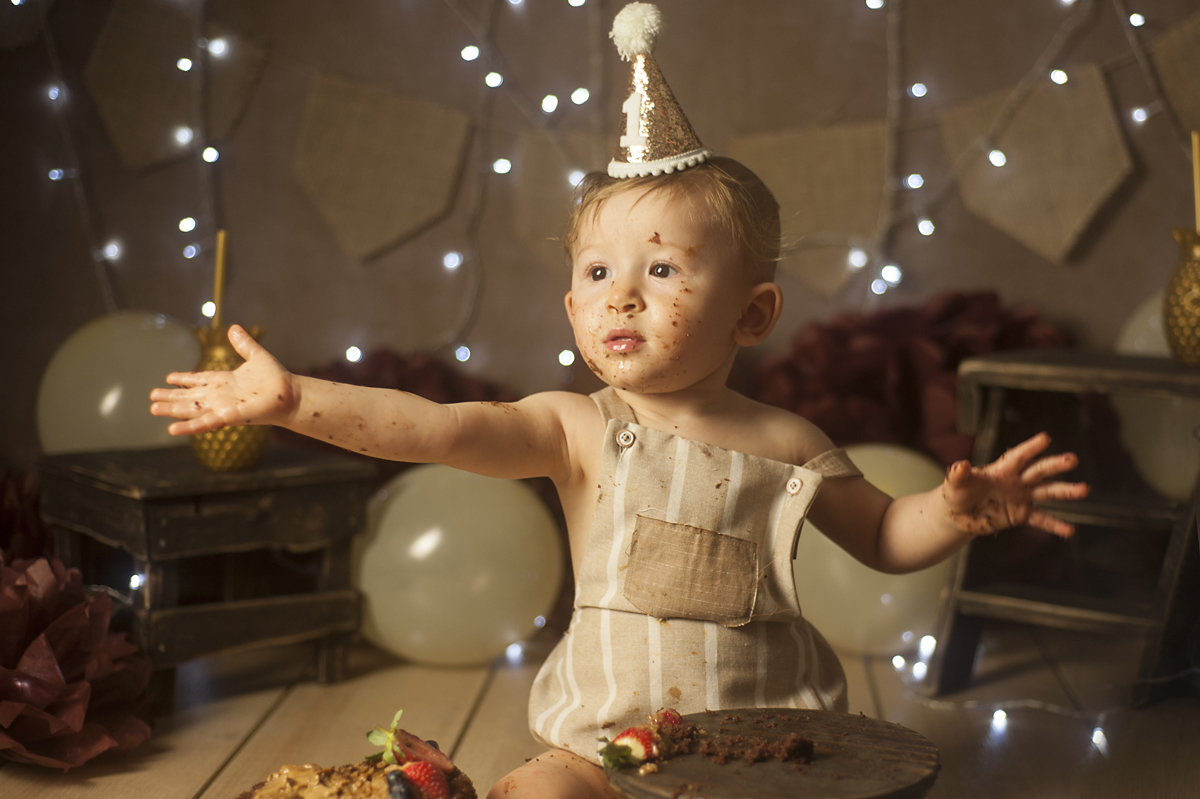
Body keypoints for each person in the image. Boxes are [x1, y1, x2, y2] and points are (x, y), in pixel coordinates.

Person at [150, 6, 1088, 798]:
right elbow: (432, 429)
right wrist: (294, 399)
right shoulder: (577, 427)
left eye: (664, 268)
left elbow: (884, 536)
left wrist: (954, 514)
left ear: (752, 312)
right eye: (597, 272)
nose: (621, 296)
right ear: (571, 308)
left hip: (759, 751)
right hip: (602, 745)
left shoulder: (788, 441)